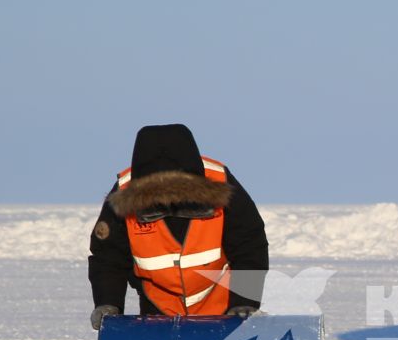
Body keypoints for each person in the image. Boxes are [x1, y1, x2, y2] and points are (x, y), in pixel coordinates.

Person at [88, 123, 269, 329]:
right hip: (158, 315)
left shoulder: (222, 184)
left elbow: (249, 246)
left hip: (225, 315)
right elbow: (108, 258)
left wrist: (244, 302)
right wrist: (108, 302)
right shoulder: (121, 197)